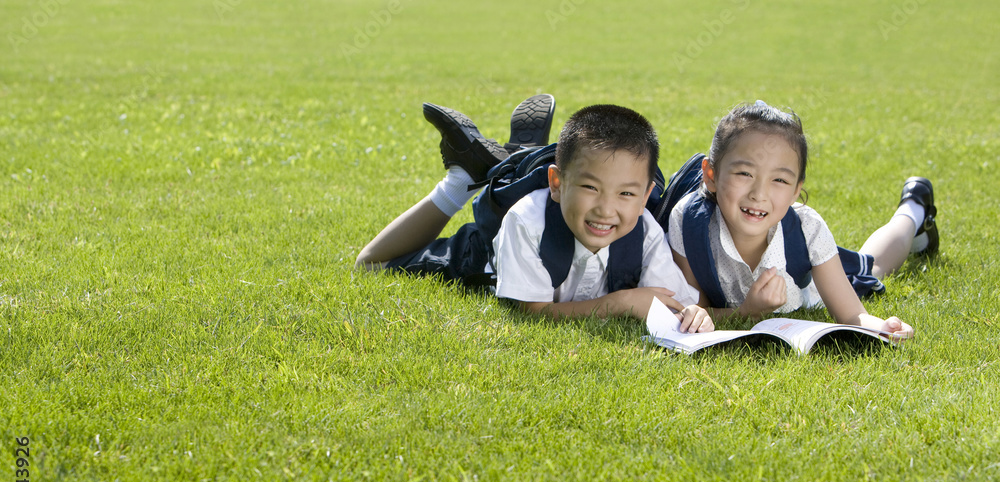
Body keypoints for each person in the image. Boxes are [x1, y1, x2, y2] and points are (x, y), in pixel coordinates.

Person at [356, 97, 714, 331]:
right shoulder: (526, 222)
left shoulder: (645, 231)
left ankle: (519, 154)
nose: (606, 209)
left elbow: (671, 302)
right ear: (557, 184)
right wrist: (618, 303)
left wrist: (692, 314)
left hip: (557, 192)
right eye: (590, 188)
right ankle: (464, 178)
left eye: (626, 194)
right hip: (479, 254)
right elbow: (533, 312)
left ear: (645, 197)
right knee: (370, 264)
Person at [667, 101, 937, 338]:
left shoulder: (807, 228)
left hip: (811, 286)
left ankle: (913, 210)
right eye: (744, 174)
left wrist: (882, 326)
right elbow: (697, 309)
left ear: (796, 190)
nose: (759, 194)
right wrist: (747, 312)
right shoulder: (690, 222)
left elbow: (852, 315)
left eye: (780, 180)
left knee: (871, 269)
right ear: (711, 175)